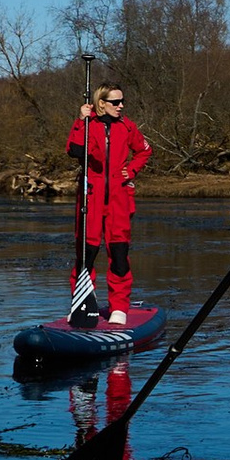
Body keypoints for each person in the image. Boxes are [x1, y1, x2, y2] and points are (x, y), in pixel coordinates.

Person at [65, 80, 151, 328]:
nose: (121, 106)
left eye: (122, 101)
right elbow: (75, 150)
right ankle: (80, 303)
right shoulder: (87, 125)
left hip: (119, 200)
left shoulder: (127, 126)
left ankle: (119, 307)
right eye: (115, 102)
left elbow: (145, 150)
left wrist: (131, 171)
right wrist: (82, 120)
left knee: (120, 255)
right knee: (86, 255)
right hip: (90, 197)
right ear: (101, 103)